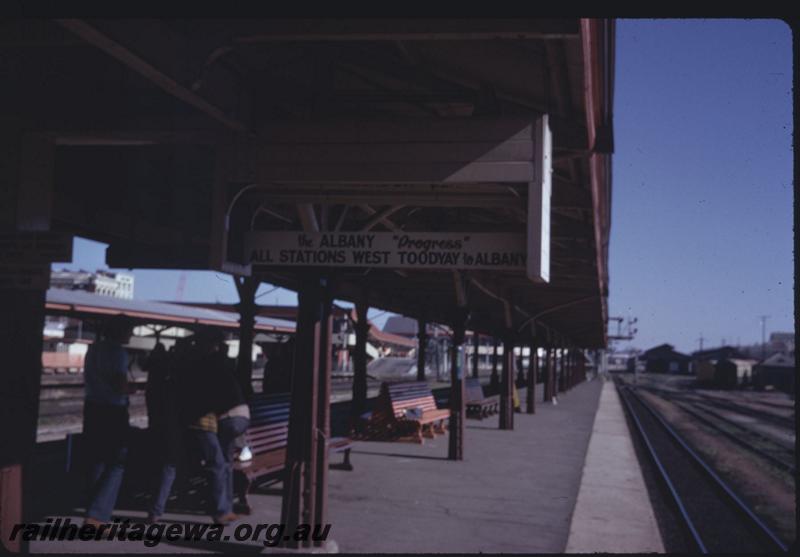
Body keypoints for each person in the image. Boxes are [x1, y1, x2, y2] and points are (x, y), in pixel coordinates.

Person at [82, 315, 135, 526]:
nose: (131, 334)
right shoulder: (118, 353)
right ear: (121, 331)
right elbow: (119, 385)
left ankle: (92, 507)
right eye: (129, 330)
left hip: (92, 407)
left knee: (97, 459)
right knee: (117, 462)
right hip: (113, 411)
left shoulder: (93, 349)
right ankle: (97, 516)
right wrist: (134, 389)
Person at [144, 340, 185, 523]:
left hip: (156, 427)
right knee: (169, 466)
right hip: (172, 430)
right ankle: (156, 509)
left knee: (158, 466)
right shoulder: (173, 384)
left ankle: (155, 508)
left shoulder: (152, 386)